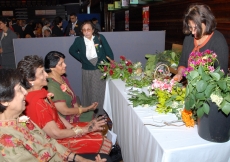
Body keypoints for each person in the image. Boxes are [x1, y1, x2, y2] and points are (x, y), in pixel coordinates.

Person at [0, 68, 112, 162]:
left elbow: (49, 142)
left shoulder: (21, 119)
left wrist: (81, 160)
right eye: (19, 89)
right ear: (4, 101)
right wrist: (83, 130)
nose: (25, 92)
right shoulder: (6, 141)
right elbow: (55, 133)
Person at [17, 55, 112, 154]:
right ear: (30, 80)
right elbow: (55, 134)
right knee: (99, 139)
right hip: (53, 144)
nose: (46, 75)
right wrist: (85, 129)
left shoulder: (40, 92)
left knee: (96, 131)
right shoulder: (36, 103)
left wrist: (73, 128)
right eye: (42, 73)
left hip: (60, 130)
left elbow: (56, 115)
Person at [69, 21, 114, 121]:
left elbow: (109, 53)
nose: (86, 32)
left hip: (100, 69)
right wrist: (82, 59)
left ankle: (101, 114)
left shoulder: (100, 38)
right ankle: (89, 114)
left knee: (100, 92)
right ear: (81, 31)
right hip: (87, 70)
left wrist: (105, 64)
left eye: (88, 29)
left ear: (93, 30)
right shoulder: (79, 40)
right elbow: (71, 50)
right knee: (88, 92)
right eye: (84, 30)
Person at [174, 4, 229, 81]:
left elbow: (221, 74)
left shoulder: (218, 41)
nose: (193, 32)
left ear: (206, 22)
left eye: (196, 28)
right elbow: (183, 62)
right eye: (190, 27)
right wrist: (179, 74)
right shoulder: (188, 38)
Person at [45, 51, 98, 123]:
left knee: (94, 116)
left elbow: (73, 99)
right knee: (94, 120)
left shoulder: (62, 78)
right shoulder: (51, 85)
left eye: (64, 62)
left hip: (71, 113)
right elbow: (64, 111)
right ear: (52, 68)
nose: (65, 65)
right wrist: (86, 109)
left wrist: (81, 110)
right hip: (63, 119)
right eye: (61, 64)